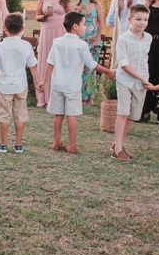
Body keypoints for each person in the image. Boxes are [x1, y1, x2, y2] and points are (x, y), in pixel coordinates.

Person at [38, 11, 115, 154]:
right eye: (83, 24)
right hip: (72, 86)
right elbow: (91, 64)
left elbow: (50, 63)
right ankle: (72, 145)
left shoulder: (57, 42)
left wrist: (44, 81)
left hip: (57, 84)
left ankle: (56, 142)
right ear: (75, 26)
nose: (85, 27)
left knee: (58, 115)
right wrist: (108, 72)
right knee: (71, 115)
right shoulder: (81, 45)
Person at [0, 12, 40, 154]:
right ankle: (18, 145)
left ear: (4, 28)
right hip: (21, 85)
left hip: (4, 86)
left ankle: (3, 144)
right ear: (23, 29)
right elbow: (33, 66)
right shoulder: (26, 45)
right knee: (20, 115)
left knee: (4, 115)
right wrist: (37, 84)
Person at [112, 4, 152, 162]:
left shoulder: (148, 38)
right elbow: (124, 64)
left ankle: (118, 143)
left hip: (141, 83)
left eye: (145, 20)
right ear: (130, 19)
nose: (142, 22)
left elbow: (145, 60)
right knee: (123, 113)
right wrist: (141, 78)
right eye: (138, 19)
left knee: (132, 116)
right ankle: (118, 150)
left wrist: (144, 79)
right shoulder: (123, 39)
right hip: (125, 81)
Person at [35, 0, 70, 107]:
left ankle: (57, 97)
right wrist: (44, 16)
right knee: (45, 62)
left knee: (59, 63)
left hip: (60, 33)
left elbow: (71, 16)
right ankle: (43, 97)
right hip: (47, 33)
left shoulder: (65, 0)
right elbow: (37, 16)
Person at [74, 0, 105, 103]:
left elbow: (101, 23)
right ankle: (80, 96)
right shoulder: (77, 6)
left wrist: (97, 39)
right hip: (80, 40)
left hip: (93, 40)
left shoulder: (97, 4)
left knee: (91, 68)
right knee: (80, 68)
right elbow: (73, 23)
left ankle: (89, 97)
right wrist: (78, 10)